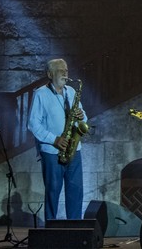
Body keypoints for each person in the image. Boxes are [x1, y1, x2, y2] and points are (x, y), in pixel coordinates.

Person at [27, 58, 87, 220]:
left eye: (66, 70)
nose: (65, 73)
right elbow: (33, 124)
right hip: (52, 151)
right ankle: (51, 229)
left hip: (74, 150)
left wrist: (81, 117)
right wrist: (54, 140)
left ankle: (75, 229)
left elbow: (84, 120)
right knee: (53, 192)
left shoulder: (72, 92)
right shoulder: (41, 94)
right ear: (50, 74)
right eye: (61, 70)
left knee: (76, 191)